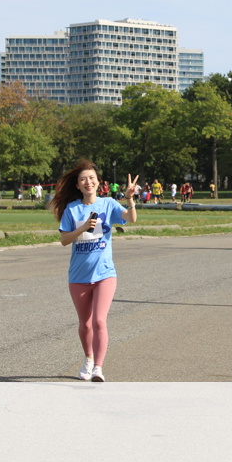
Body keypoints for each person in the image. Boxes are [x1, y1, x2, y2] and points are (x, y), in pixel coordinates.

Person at [52, 160, 138, 383]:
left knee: (99, 321)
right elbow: (64, 240)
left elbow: (131, 218)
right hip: (78, 276)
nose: (88, 182)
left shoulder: (108, 204)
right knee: (85, 324)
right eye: (83, 179)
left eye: (91, 178)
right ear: (77, 185)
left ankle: (98, 368)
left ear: (99, 182)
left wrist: (129, 198)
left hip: (104, 274)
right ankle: (88, 359)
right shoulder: (72, 209)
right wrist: (82, 228)